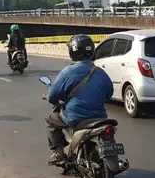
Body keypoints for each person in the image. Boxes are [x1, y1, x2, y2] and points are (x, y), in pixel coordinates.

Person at [45, 34, 113, 164]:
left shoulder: (68, 71)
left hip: (75, 117)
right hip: (100, 117)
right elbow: (109, 94)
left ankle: (60, 154)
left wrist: (53, 100)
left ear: (72, 51)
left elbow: (53, 95)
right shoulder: (100, 72)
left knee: (51, 121)